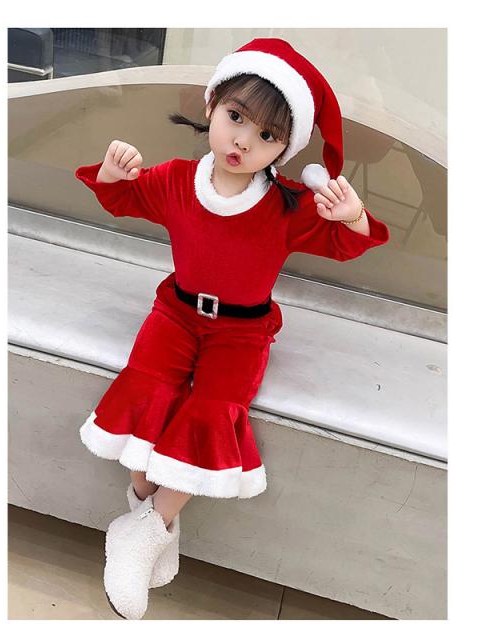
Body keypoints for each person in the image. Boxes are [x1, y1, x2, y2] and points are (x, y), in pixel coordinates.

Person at [74, 37, 390, 619]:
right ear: (211, 104)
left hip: (241, 332)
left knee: (214, 413)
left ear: (284, 148)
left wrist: (353, 216)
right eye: (236, 117)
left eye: (267, 135)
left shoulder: (288, 207)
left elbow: (346, 243)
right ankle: (148, 520)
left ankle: (145, 528)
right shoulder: (175, 180)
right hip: (176, 313)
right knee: (147, 389)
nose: (243, 141)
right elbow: (123, 199)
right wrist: (115, 174)